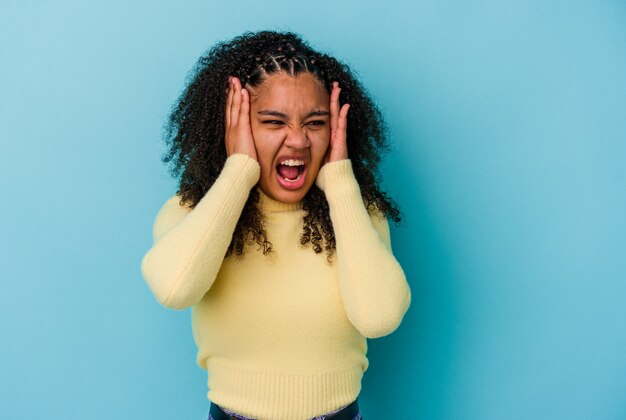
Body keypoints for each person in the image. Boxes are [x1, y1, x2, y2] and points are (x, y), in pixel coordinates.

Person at [140, 30, 411, 420]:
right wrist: (239, 172)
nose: (298, 141)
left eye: (316, 122)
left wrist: (339, 181)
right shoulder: (193, 212)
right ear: (235, 126)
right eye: (273, 121)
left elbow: (379, 317)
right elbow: (174, 288)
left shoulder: (358, 214)